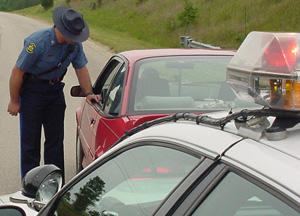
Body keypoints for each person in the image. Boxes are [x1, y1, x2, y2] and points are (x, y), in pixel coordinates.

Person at [7, 6, 100, 180]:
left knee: (55, 141)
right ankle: (31, 184)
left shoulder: (74, 46)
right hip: (32, 92)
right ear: (63, 30)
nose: (76, 39)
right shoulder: (37, 42)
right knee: (30, 142)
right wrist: (14, 100)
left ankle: (55, 183)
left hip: (55, 92)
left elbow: (81, 68)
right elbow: (17, 72)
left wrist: (88, 93)